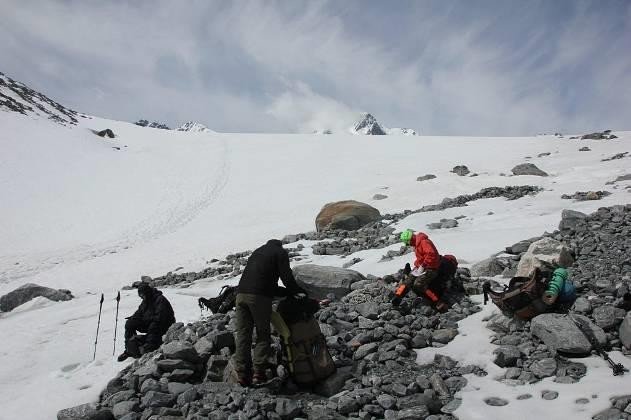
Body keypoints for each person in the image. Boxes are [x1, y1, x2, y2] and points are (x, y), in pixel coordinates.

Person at [234, 239, 306, 386]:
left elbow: (261, 280)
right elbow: (287, 277)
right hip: (258, 298)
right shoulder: (280, 253)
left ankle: (242, 374)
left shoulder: (257, 252)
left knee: (243, 334)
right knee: (263, 333)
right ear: (279, 245)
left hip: (240, 295)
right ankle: (258, 373)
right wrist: (297, 291)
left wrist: (285, 292)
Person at [117, 283, 175, 362]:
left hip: (164, 325)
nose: (141, 297)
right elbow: (139, 313)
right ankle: (129, 350)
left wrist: (146, 319)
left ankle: (148, 348)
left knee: (153, 325)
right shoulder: (145, 301)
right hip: (151, 322)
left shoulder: (160, 299)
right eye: (140, 296)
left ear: (147, 292)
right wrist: (133, 318)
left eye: (142, 295)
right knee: (130, 323)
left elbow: (160, 318)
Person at [392, 230, 443, 307]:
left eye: (407, 242)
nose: (408, 245)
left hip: (432, 268)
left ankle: (436, 301)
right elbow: (421, 258)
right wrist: (417, 266)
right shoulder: (417, 244)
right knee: (408, 280)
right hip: (423, 268)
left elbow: (431, 254)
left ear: (410, 239)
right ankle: (398, 296)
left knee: (418, 284)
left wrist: (423, 266)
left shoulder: (424, 242)